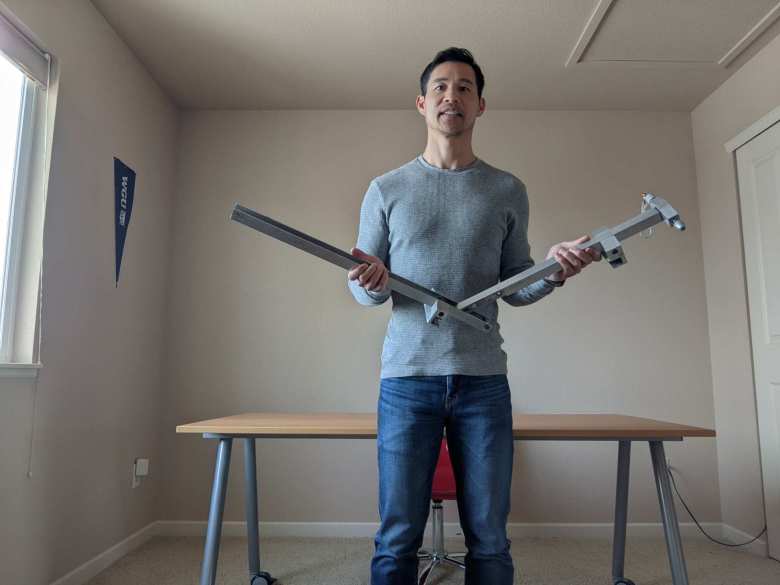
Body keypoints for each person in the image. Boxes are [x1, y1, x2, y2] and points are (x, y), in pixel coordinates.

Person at [347, 47, 599, 585]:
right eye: (440, 86)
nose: (451, 96)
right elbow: (366, 291)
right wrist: (368, 283)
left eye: (464, 87)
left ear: (480, 105)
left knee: (489, 535)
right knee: (396, 536)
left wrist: (554, 272)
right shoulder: (386, 189)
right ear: (421, 103)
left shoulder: (507, 190)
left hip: (483, 380)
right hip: (406, 379)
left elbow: (516, 287)